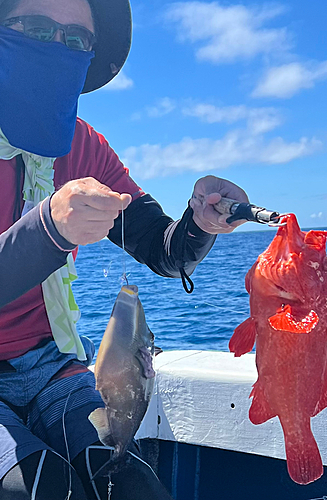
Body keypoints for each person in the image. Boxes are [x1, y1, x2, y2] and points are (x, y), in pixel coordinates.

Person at [0, 0, 249, 498]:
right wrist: (48, 228)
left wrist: (198, 221)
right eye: (34, 27)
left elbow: (162, 248)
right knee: (41, 488)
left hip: (50, 365)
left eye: (75, 41)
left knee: (132, 485)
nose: (56, 46)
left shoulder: (84, 146)